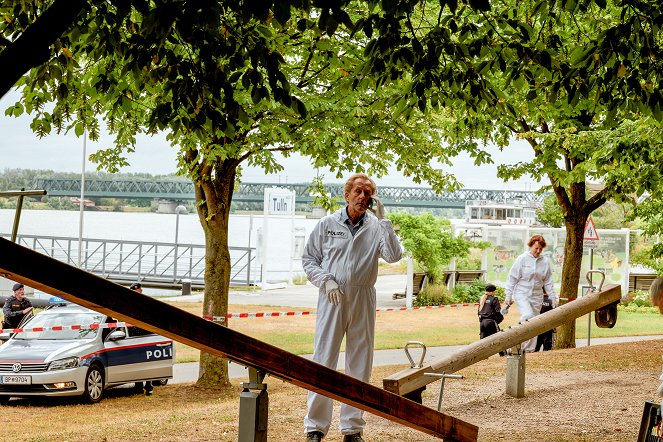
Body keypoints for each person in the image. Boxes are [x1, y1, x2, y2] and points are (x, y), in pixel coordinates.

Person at [302, 173, 402, 442]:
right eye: (358, 191)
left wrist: (384, 222)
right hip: (332, 297)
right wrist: (326, 281)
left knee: (360, 361)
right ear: (346, 195)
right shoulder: (327, 224)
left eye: (368, 193)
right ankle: (315, 427)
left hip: (363, 297)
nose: (363, 197)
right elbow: (309, 259)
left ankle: (352, 428)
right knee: (324, 359)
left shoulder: (376, 227)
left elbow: (394, 255)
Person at [504, 234, 558, 352]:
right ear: (531, 246)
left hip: (537, 295)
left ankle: (528, 350)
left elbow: (548, 282)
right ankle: (515, 339)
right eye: (536, 248)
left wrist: (553, 298)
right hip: (522, 293)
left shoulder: (545, 262)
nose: (538, 251)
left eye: (540, 249)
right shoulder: (522, 259)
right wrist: (508, 294)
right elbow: (512, 277)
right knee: (527, 316)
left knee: (534, 323)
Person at [128, 282, 153, 396]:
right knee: (136, 360)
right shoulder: (129, 304)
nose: (140, 291)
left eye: (140, 290)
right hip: (134, 334)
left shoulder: (145, 303)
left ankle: (148, 385)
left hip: (145, 334)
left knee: (147, 360)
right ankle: (138, 385)